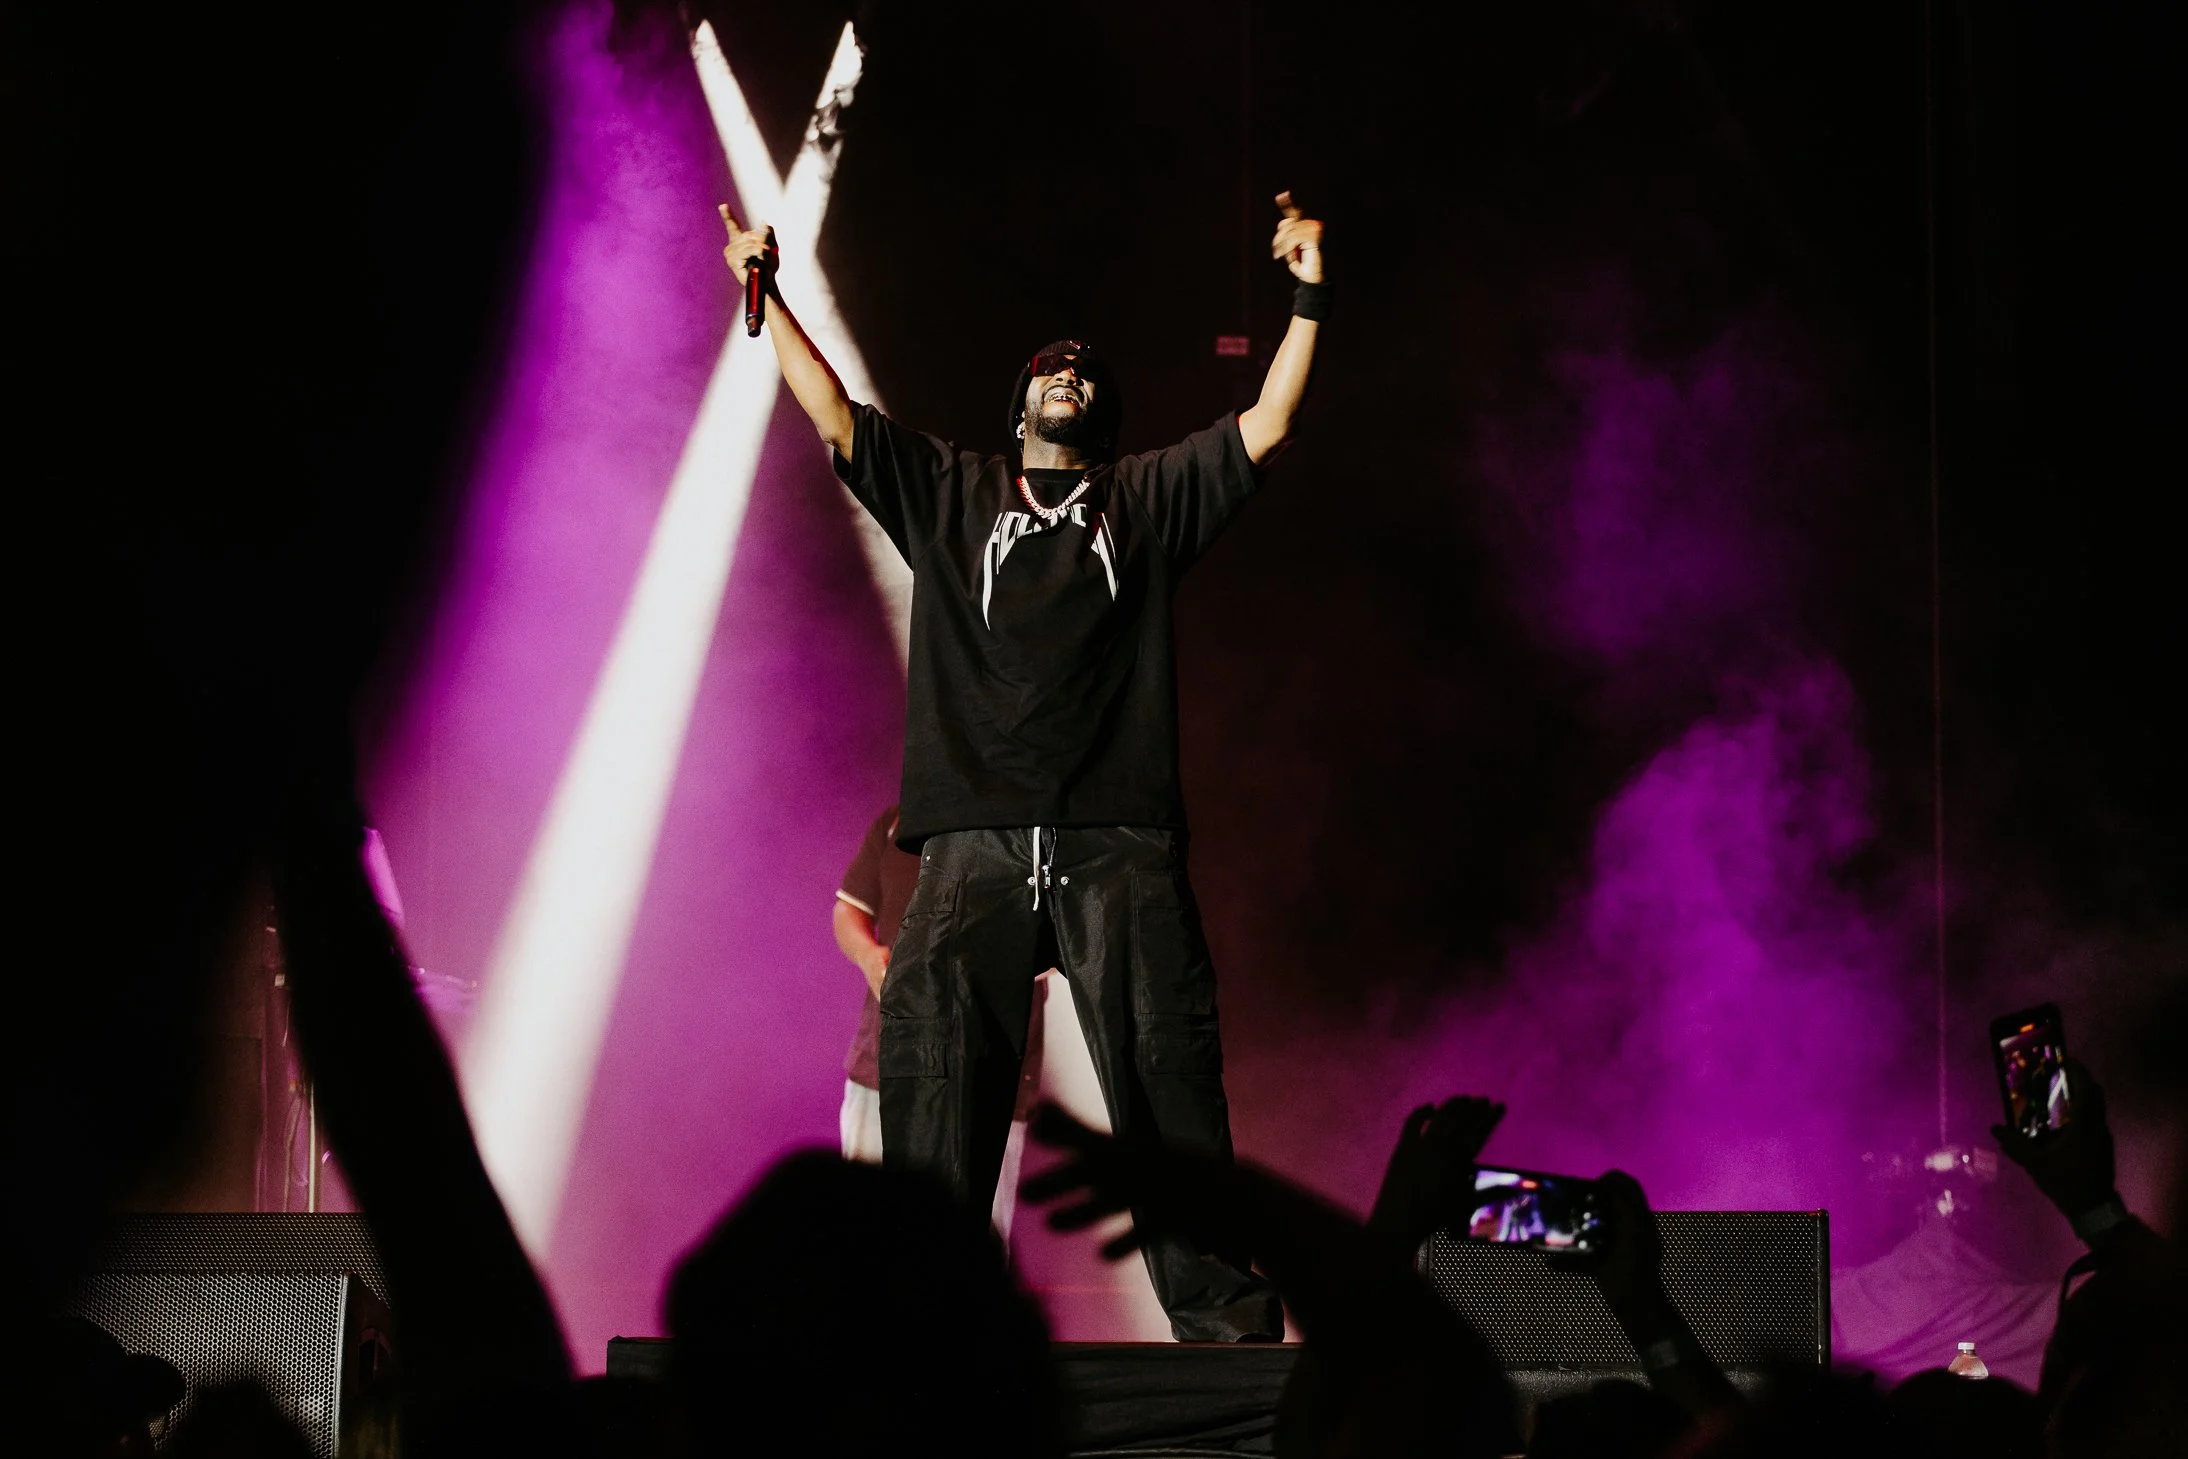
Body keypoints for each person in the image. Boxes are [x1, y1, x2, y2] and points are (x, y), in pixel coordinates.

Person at [720, 191, 1330, 1341]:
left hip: (1118, 839)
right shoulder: (952, 491)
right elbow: (836, 414)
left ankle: (1228, 1342)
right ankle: (922, 1337)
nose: (1068, 375)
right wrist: (768, 296)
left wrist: (1309, 293)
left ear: (1100, 414)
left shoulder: (1147, 497)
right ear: (1019, 408)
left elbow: (1270, 422)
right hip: (975, 841)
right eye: (1049, 369)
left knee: (1166, 1089)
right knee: (937, 1082)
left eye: (1085, 373)